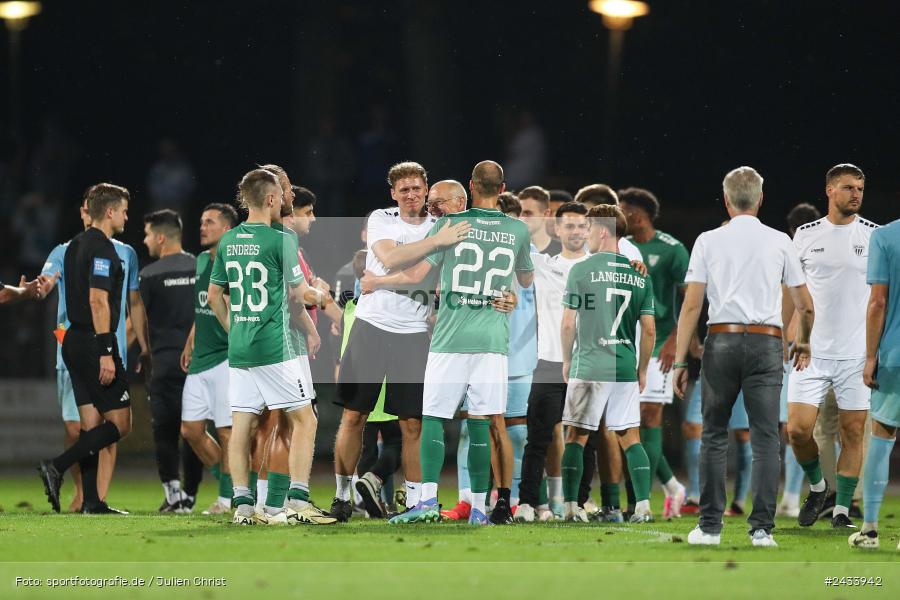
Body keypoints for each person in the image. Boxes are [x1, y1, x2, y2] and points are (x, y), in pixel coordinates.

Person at [373, 161, 533, 526]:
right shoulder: (517, 229)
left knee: (433, 419)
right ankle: (479, 508)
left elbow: (416, 275)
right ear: (503, 187)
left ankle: (427, 502)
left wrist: (378, 281)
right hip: (493, 341)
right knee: (481, 423)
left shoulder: (451, 225)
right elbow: (525, 279)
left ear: (472, 186)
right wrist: (504, 290)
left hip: (450, 339)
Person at [674, 166, 814, 547]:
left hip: (723, 340)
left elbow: (691, 306)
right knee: (767, 437)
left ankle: (709, 528)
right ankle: (761, 530)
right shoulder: (781, 241)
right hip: (768, 343)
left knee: (713, 434)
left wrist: (680, 361)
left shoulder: (707, 240)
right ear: (760, 199)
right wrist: (802, 342)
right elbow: (805, 306)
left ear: (726, 199)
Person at [330, 162, 469, 521]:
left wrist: (386, 280)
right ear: (393, 193)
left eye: (416, 188)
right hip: (371, 326)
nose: (410, 195)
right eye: (403, 189)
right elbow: (390, 256)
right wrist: (435, 243)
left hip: (413, 333)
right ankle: (342, 496)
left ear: (426, 191)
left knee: (412, 423)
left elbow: (424, 279)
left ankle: (416, 501)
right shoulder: (383, 219)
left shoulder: (440, 223)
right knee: (354, 415)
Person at [207, 168, 334, 526]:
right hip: (273, 347)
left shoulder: (229, 240)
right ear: (269, 199)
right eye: (281, 194)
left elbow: (216, 295)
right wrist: (323, 296)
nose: (285, 200)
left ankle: (244, 507)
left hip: (241, 348)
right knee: (305, 420)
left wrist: (233, 328)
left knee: (242, 425)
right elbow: (299, 294)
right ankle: (298, 500)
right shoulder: (281, 239)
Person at [38, 183, 146, 515]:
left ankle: (91, 501)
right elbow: (97, 301)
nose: (127, 216)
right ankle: (56, 466)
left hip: (71, 340)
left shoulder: (73, 247)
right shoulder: (104, 250)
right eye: (124, 210)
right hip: (92, 342)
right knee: (121, 423)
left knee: (91, 426)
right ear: (110, 211)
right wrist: (106, 351)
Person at [787, 164, 877, 528]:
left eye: (859, 188)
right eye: (847, 187)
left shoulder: (875, 235)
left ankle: (842, 510)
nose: (855, 194)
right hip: (810, 353)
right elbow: (793, 293)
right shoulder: (805, 235)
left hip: (857, 355)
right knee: (797, 430)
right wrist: (788, 336)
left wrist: (876, 350)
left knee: (852, 432)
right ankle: (817, 485)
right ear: (829, 190)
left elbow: (882, 296)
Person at [560, 203, 657, 523]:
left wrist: (566, 360)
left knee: (576, 436)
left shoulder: (581, 270)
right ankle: (642, 506)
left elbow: (568, 324)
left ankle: (572, 507)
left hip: (589, 364)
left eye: (589, 227)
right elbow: (650, 330)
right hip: (625, 366)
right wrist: (642, 369)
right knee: (630, 436)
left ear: (603, 231)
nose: (584, 234)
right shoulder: (639, 274)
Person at [515, 201, 590, 523]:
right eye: (568, 225)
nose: (575, 231)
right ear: (556, 229)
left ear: (589, 229)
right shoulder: (543, 264)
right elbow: (518, 236)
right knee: (539, 438)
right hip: (548, 362)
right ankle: (528, 504)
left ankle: (579, 503)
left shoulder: (603, 267)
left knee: (587, 440)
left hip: (589, 363)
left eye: (580, 225)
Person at [619, 187, 689, 518]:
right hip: (623, 340)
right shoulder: (619, 247)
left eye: (623, 209)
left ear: (637, 214)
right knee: (625, 422)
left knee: (648, 417)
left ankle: (641, 500)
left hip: (659, 341)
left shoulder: (672, 249)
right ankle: (672, 487)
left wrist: (677, 338)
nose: (619, 214)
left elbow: (691, 297)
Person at [140, 209, 203, 512]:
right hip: (200, 363)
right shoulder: (202, 267)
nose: (145, 240)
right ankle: (192, 495)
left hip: (164, 362)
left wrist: (136, 350)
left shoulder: (149, 275)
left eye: (148, 234)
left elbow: (137, 322)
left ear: (161, 237)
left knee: (164, 428)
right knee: (196, 430)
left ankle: (173, 493)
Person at [179, 203, 239, 515]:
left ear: (227, 229)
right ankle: (237, 482)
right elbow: (202, 306)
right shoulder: (203, 259)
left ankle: (228, 498)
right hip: (200, 357)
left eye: (210, 222)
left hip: (226, 357)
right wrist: (191, 339)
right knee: (191, 430)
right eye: (202, 221)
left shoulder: (235, 262)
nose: (202, 227)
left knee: (226, 430)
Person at [848, 214, 900, 550]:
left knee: (881, 437)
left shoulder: (886, 236)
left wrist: (870, 356)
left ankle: (869, 530)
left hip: (895, 355)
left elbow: (878, 301)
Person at [777, 202, 823, 518]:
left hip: (801, 350)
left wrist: (783, 338)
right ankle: (798, 494)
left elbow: (790, 301)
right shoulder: (802, 254)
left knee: (798, 428)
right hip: (814, 347)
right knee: (801, 429)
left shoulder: (794, 255)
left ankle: (795, 496)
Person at [519, 185, 561, 255]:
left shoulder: (564, 253)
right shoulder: (511, 250)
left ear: (546, 214)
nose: (521, 218)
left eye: (527, 213)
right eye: (519, 213)